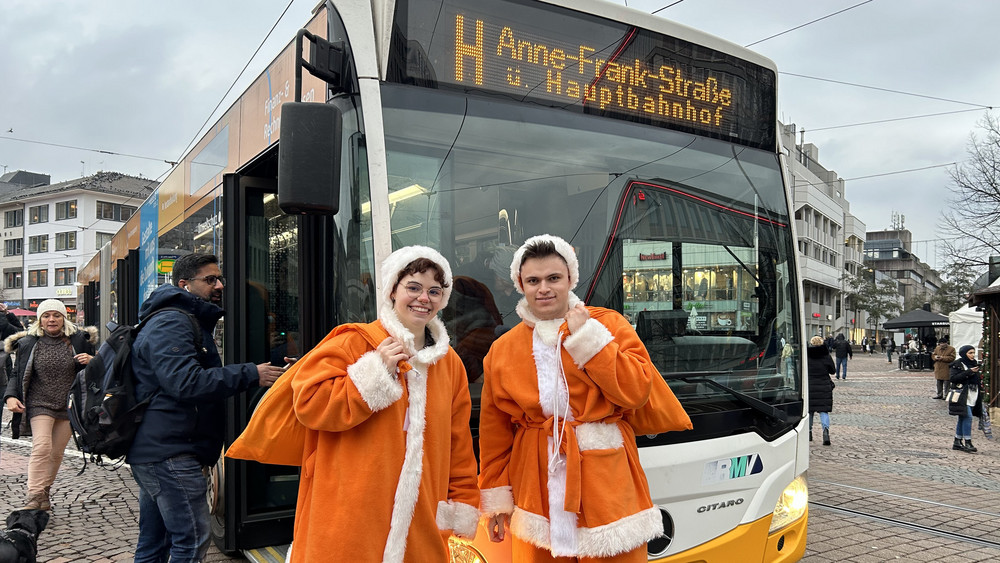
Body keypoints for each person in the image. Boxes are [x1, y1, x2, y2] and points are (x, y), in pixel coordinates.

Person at [228, 246, 480, 562]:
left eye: (434, 290)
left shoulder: (449, 363)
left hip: (421, 514)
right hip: (351, 510)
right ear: (392, 291)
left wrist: (463, 500)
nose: (423, 298)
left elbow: (458, 443)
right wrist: (376, 372)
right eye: (413, 287)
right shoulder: (352, 341)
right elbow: (309, 404)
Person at [478, 234, 692, 562]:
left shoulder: (607, 325)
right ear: (521, 284)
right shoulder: (502, 349)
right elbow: (496, 432)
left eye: (553, 278)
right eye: (533, 280)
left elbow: (636, 391)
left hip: (606, 476)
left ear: (570, 279)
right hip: (534, 481)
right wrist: (495, 500)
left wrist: (588, 340)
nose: (543, 288)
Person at [127, 253, 288, 562]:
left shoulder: (177, 318)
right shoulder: (172, 321)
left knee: (154, 543)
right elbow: (184, 383)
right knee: (191, 541)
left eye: (220, 278)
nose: (219, 285)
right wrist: (251, 373)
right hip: (170, 452)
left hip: (160, 449)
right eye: (210, 279)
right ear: (184, 284)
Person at [3, 299, 96, 510]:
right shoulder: (29, 342)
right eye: (46, 316)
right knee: (42, 447)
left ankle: (44, 492)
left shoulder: (79, 340)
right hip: (39, 403)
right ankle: (33, 496)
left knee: (56, 453)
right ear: (40, 320)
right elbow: (17, 374)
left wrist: (92, 361)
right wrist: (10, 397)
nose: (51, 319)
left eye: (56, 315)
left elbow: (100, 369)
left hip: (68, 404)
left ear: (64, 318)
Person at [948, 345, 981, 453]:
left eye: (973, 352)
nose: (972, 355)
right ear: (964, 353)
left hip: (973, 394)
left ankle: (957, 441)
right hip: (962, 395)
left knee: (962, 417)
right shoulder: (957, 364)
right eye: (970, 353)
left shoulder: (974, 363)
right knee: (968, 417)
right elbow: (953, 378)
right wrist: (969, 372)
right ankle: (968, 441)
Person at [806, 335, 836, 445]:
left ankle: (808, 432)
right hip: (824, 386)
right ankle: (825, 432)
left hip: (810, 386)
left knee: (809, 411)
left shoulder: (807, 355)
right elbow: (833, 370)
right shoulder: (826, 355)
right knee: (824, 411)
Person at [931, 335, 956, 400]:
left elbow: (952, 358)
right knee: (938, 382)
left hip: (946, 367)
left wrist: (942, 358)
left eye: (943, 343)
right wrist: (935, 357)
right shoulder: (937, 348)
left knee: (946, 382)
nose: (941, 345)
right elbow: (933, 355)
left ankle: (946, 394)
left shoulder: (951, 349)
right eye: (940, 343)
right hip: (938, 367)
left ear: (946, 343)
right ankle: (939, 394)